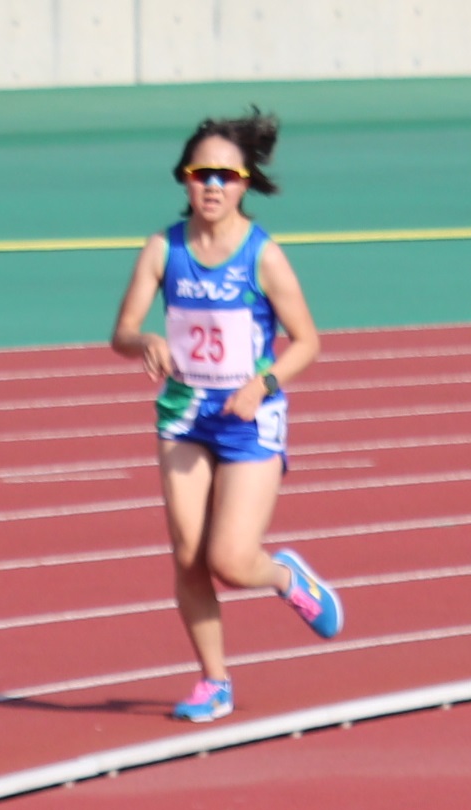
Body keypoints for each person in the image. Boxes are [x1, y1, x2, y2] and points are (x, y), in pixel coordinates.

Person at [109, 110, 342, 725]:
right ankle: (214, 681)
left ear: (245, 183)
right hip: (185, 412)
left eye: (226, 176)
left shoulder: (263, 256)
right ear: (183, 179)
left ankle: (284, 574)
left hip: (249, 417)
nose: (212, 186)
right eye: (200, 174)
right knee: (188, 553)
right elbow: (123, 330)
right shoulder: (165, 248)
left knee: (232, 561)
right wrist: (146, 343)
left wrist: (261, 382)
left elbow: (308, 341)